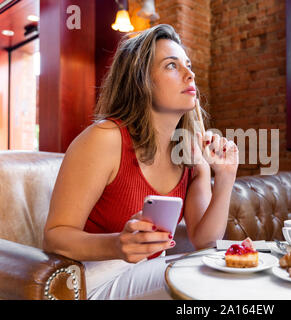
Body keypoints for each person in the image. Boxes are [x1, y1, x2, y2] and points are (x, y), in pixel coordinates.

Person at [43, 24, 239, 299]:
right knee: (207, 276)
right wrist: (118, 245)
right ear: (141, 81)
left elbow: (204, 240)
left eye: (188, 64)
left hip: (147, 272)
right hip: (93, 279)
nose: (189, 73)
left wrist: (226, 178)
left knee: (227, 268)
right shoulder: (105, 139)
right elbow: (54, 236)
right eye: (172, 66)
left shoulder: (191, 153)